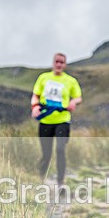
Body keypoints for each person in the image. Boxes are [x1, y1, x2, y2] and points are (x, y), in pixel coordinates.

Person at [30, 53, 82, 188]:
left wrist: (73, 102)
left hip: (62, 120)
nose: (59, 64)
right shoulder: (43, 78)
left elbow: (78, 97)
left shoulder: (71, 81)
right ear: (53, 63)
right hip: (46, 120)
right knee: (46, 154)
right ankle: (40, 179)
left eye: (62, 62)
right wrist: (35, 107)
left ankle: (60, 182)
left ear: (65, 64)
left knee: (60, 149)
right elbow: (35, 95)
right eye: (57, 62)